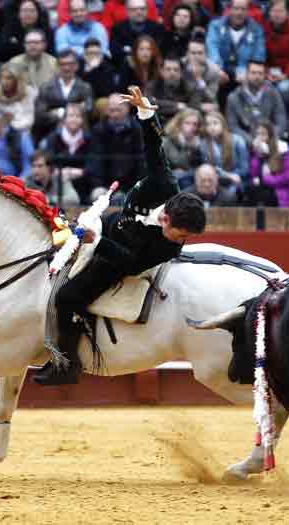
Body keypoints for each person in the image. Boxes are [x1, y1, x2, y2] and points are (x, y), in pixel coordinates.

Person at [33, 86, 207, 385]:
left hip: (116, 253)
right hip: (108, 225)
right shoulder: (163, 184)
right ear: (166, 216)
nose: (181, 241)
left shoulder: (168, 249)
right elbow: (155, 148)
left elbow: (128, 263)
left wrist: (96, 242)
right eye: (181, 234)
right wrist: (146, 113)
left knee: (68, 296)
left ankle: (68, 363)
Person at [248, 121, 289, 207]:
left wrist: (269, 180)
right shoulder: (255, 152)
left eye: (263, 134)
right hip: (262, 187)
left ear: (270, 135)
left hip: (281, 190)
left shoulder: (283, 150)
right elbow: (254, 174)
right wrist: (257, 155)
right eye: (258, 134)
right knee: (250, 190)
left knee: (265, 196)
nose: (260, 137)